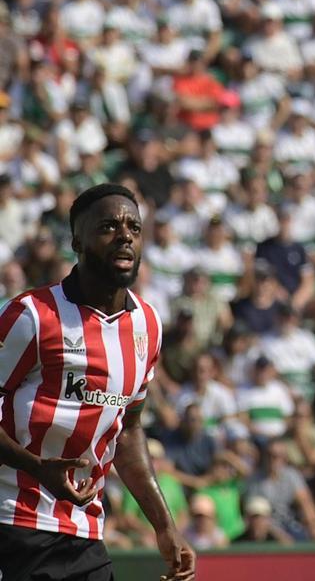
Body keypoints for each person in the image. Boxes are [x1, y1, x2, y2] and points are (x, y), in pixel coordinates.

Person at [0, 184, 195, 580]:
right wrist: (38, 468)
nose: (124, 236)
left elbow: (129, 430)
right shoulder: (32, 315)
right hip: (12, 523)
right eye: (108, 226)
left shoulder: (148, 325)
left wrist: (164, 525)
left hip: (85, 532)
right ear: (77, 241)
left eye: (134, 228)